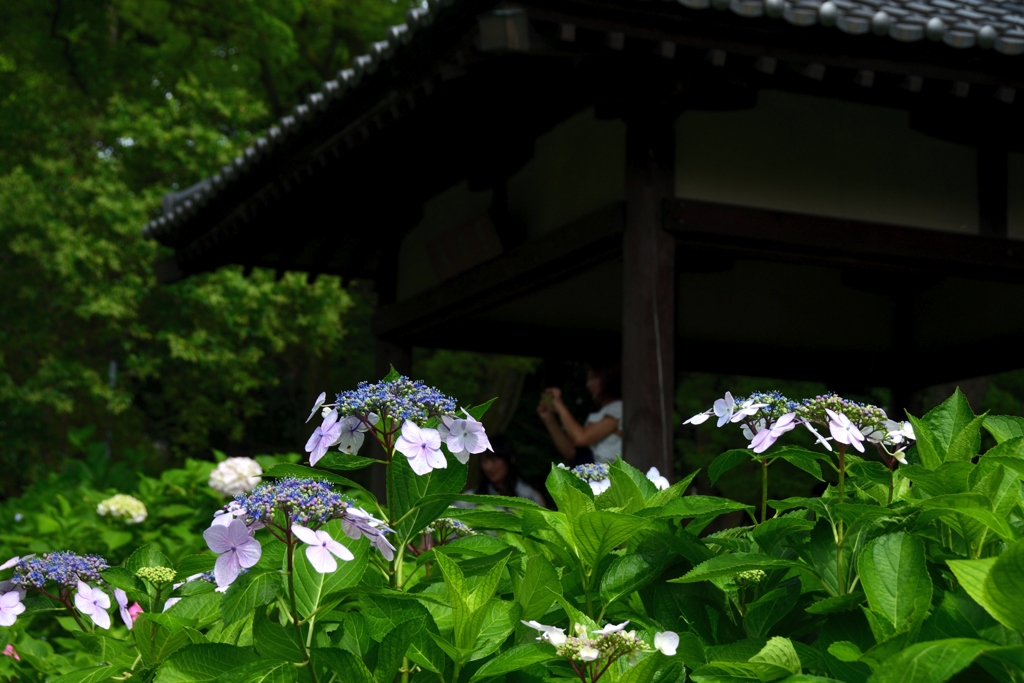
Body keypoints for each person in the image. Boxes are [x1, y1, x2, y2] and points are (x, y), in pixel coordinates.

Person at [536, 363, 623, 465]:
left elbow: (580, 438)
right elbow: (571, 452)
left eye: (594, 378)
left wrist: (560, 406)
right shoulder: (607, 411)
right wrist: (548, 418)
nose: (588, 384)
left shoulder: (618, 408)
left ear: (608, 378)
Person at [469, 435, 546, 507]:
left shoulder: (530, 497)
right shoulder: (470, 500)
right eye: (484, 461)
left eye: (494, 460)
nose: (488, 467)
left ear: (509, 459)